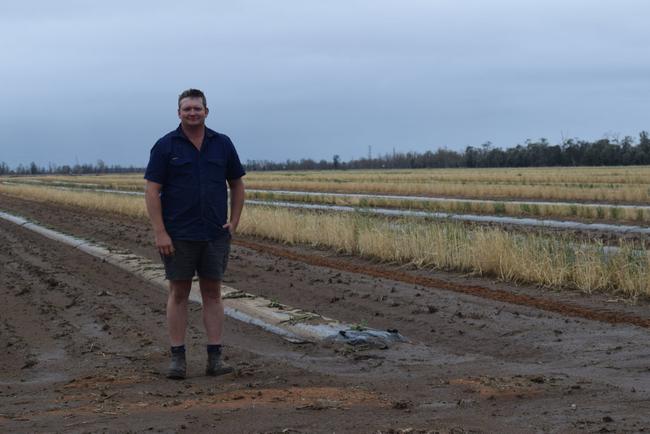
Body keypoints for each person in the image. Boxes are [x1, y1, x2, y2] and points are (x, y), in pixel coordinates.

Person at [144, 88, 245, 379]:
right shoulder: (165, 146)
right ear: (179, 113)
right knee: (179, 293)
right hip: (178, 235)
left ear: (206, 111)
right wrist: (160, 232)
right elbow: (152, 192)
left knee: (213, 293)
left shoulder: (222, 144)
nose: (192, 113)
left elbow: (237, 184)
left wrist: (233, 222)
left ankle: (215, 359)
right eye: (187, 109)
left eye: (197, 109)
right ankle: (178, 359)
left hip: (214, 233)